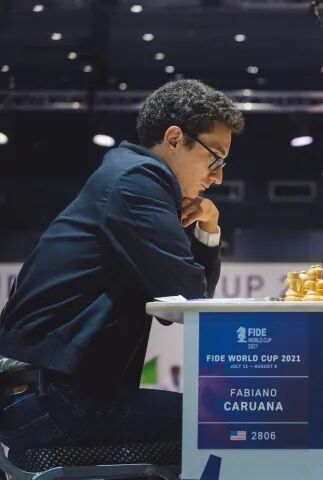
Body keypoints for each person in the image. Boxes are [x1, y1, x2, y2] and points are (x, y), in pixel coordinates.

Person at [0, 79, 244, 456]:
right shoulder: (137, 182)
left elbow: (176, 304)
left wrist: (209, 226)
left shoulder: (128, 177)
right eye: (216, 158)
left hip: (45, 394)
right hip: (53, 400)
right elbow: (191, 297)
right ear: (175, 139)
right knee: (229, 424)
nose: (218, 176)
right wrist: (209, 227)